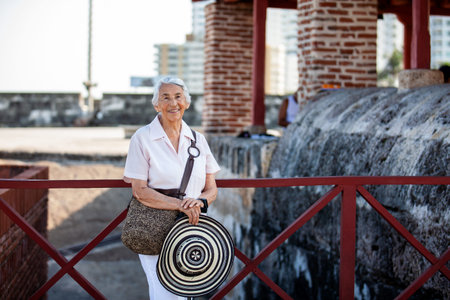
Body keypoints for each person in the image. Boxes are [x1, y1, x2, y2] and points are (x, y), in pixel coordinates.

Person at [123, 76, 221, 299]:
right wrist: (180, 205)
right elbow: (139, 190)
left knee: (186, 294)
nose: (173, 103)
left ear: (186, 102)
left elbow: (211, 189)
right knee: (164, 294)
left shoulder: (198, 140)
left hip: (191, 230)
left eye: (178, 97)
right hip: (155, 228)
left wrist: (200, 201)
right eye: (165, 97)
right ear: (156, 104)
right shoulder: (143, 138)